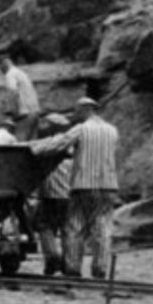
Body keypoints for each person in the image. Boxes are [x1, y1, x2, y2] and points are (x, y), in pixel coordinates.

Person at [30, 96, 119, 279]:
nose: (75, 115)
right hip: (109, 185)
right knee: (103, 226)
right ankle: (100, 268)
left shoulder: (81, 129)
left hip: (83, 185)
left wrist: (33, 149)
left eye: (77, 111)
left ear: (86, 109)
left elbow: (58, 145)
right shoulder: (112, 130)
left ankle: (72, 268)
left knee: (74, 226)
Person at [32, 113, 73, 276]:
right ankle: (68, 262)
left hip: (52, 193)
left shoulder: (54, 142)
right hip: (69, 194)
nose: (44, 127)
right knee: (66, 228)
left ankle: (52, 258)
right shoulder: (73, 144)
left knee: (44, 225)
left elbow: (35, 151)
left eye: (47, 124)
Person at [1, 57, 40, 140]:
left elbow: (13, 92)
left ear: (3, 64)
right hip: (35, 112)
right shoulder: (22, 73)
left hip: (24, 115)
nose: (0, 71)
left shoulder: (10, 74)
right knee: (32, 147)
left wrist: (13, 113)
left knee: (20, 145)